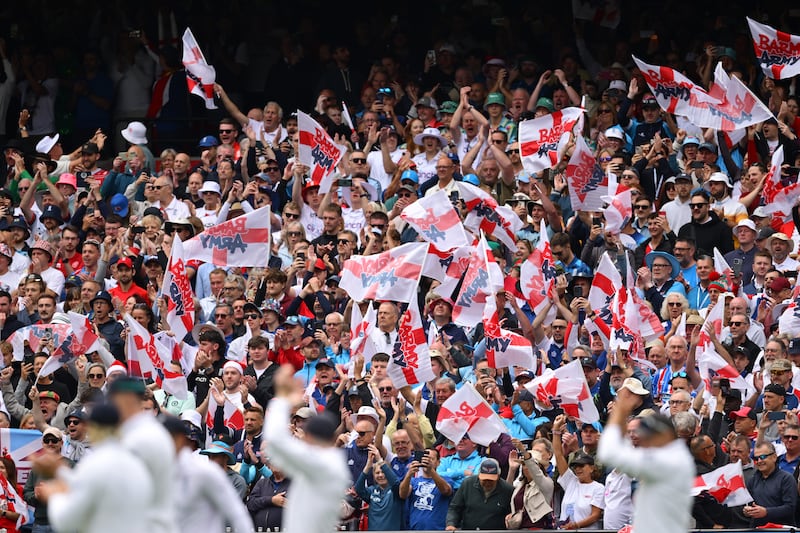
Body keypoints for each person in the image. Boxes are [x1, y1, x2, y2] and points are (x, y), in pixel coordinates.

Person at [34, 403, 153, 533]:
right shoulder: (135, 461)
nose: (71, 425)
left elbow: (65, 521)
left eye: (78, 422)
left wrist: (53, 495)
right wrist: (60, 472)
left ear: (90, 427)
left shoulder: (96, 462)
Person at [261, 364, 350, 533]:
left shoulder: (324, 464)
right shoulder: (325, 461)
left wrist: (282, 398)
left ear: (308, 437)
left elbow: (274, 441)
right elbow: (273, 451)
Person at [598, 383, 695, 533]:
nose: (644, 439)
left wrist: (621, 410)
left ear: (665, 435)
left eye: (649, 435)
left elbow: (608, 453)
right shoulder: (673, 455)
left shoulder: (668, 461)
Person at [109, 377, 178, 533]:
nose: (143, 414)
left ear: (155, 411)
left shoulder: (165, 437)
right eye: (140, 410)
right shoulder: (123, 436)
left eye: (147, 410)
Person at [445, 457, 513, 530]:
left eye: (491, 480)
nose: (487, 483)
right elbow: (455, 508)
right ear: (479, 475)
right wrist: (451, 524)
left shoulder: (507, 489)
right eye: (484, 480)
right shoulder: (467, 483)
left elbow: (512, 513)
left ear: (498, 476)